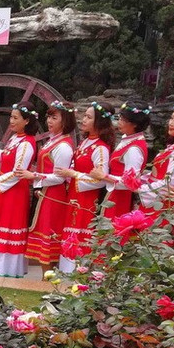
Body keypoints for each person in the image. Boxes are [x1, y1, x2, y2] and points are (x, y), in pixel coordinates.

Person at [0, 102, 37, 278]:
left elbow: (19, 171)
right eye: (11, 117)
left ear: (27, 120)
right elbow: (4, 156)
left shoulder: (27, 143)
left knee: (9, 225)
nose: (11, 121)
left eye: (15, 118)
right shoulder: (14, 139)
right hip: (4, 190)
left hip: (15, 191)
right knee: (0, 224)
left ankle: (8, 269)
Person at [56, 101, 114, 273]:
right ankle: (66, 275)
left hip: (86, 201)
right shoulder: (86, 143)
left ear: (100, 122)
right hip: (74, 197)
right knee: (69, 235)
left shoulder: (101, 148)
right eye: (84, 116)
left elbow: (101, 179)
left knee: (80, 237)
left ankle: (77, 275)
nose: (83, 120)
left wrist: (74, 174)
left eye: (89, 117)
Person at [21, 100, 75, 274]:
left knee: (49, 242)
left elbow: (59, 178)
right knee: (44, 239)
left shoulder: (64, 146)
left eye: (54, 117)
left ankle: (48, 280)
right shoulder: (54, 141)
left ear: (65, 120)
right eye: (48, 117)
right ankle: (46, 280)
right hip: (45, 194)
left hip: (54, 196)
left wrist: (34, 176)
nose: (49, 121)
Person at [97, 100, 151, 218]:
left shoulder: (134, 149)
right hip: (114, 192)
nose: (119, 122)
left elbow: (130, 183)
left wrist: (104, 176)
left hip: (120, 197)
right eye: (120, 118)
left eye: (123, 120)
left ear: (135, 124)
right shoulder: (128, 139)